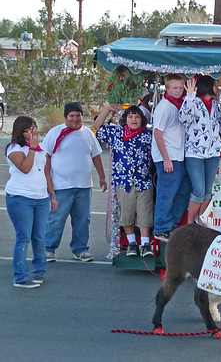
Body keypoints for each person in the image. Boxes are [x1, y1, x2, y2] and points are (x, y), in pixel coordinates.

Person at [42, 102, 107, 262]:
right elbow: (46, 157)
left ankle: (80, 249)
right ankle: (49, 249)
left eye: (78, 115)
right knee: (56, 219)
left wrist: (102, 177)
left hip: (84, 186)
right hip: (61, 186)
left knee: (83, 219)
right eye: (72, 116)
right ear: (65, 117)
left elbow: (96, 155)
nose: (75, 119)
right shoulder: (54, 133)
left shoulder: (88, 134)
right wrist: (46, 180)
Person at [94, 104, 154, 258]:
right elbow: (97, 127)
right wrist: (108, 109)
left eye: (137, 116)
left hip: (143, 180)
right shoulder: (116, 133)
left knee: (145, 212)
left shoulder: (148, 135)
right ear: (125, 119)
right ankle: (131, 243)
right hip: (124, 181)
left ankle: (146, 244)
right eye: (131, 116)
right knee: (126, 213)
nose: (134, 119)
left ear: (142, 120)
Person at [6, 117, 55, 288]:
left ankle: (39, 272)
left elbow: (46, 173)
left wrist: (52, 194)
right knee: (24, 237)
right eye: (29, 129)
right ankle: (20, 277)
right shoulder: (14, 148)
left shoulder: (40, 149)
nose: (33, 132)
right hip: (20, 198)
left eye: (34, 128)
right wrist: (32, 148)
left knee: (39, 237)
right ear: (20, 132)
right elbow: (25, 168)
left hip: (41, 198)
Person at [179, 76, 221, 225]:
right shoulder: (193, 101)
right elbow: (184, 118)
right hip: (194, 152)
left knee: (208, 191)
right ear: (208, 86)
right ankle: (190, 224)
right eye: (215, 85)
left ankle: (201, 223)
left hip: (213, 152)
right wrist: (190, 96)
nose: (217, 88)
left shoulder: (216, 104)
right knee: (199, 191)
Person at [152, 74, 192, 242]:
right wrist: (166, 158)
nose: (177, 91)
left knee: (183, 189)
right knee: (166, 193)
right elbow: (157, 132)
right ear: (167, 89)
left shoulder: (180, 105)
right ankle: (161, 227)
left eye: (180, 88)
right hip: (168, 156)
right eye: (174, 88)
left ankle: (172, 223)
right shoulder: (165, 106)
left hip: (179, 154)